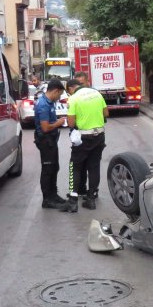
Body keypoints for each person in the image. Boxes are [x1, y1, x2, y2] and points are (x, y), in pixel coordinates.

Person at [62, 77, 108, 212]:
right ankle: (91, 199)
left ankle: (73, 200)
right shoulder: (96, 93)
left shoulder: (74, 98)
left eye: (69, 92)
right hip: (99, 135)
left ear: (71, 88)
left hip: (83, 137)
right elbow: (106, 113)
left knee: (74, 167)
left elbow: (70, 123)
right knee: (94, 167)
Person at [34, 79, 68, 210]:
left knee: (55, 168)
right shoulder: (43, 104)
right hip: (45, 140)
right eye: (59, 95)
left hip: (52, 140)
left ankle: (53, 195)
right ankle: (47, 199)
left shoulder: (50, 102)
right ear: (55, 91)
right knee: (48, 170)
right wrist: (58, 123)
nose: (59, 98)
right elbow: (45, 128)